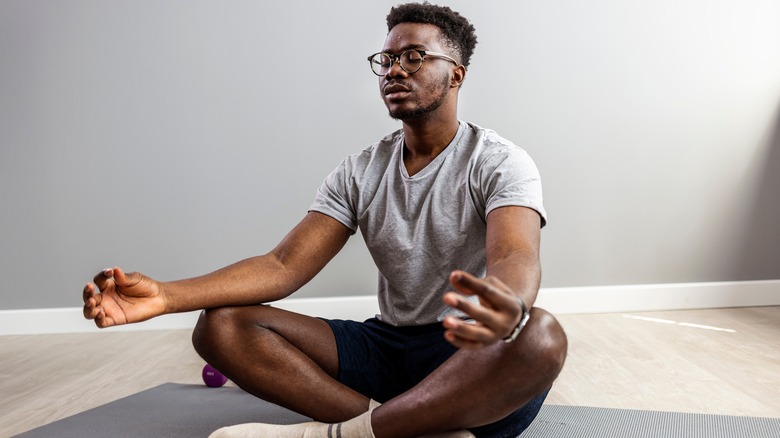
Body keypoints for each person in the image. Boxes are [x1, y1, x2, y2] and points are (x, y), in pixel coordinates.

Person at [82, 3, 567, 437]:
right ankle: (404, 427)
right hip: (389, 346)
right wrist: (166, 296)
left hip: (467, 351)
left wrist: (510, 306)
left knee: (542, 336)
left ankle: (346, 434)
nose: (394, 69)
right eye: (386, 59)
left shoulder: (499, 161)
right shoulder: (360, 170)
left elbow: (515, 254)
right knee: (219, 326)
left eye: (414, 56)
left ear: (456, 75)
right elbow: (283, 266)